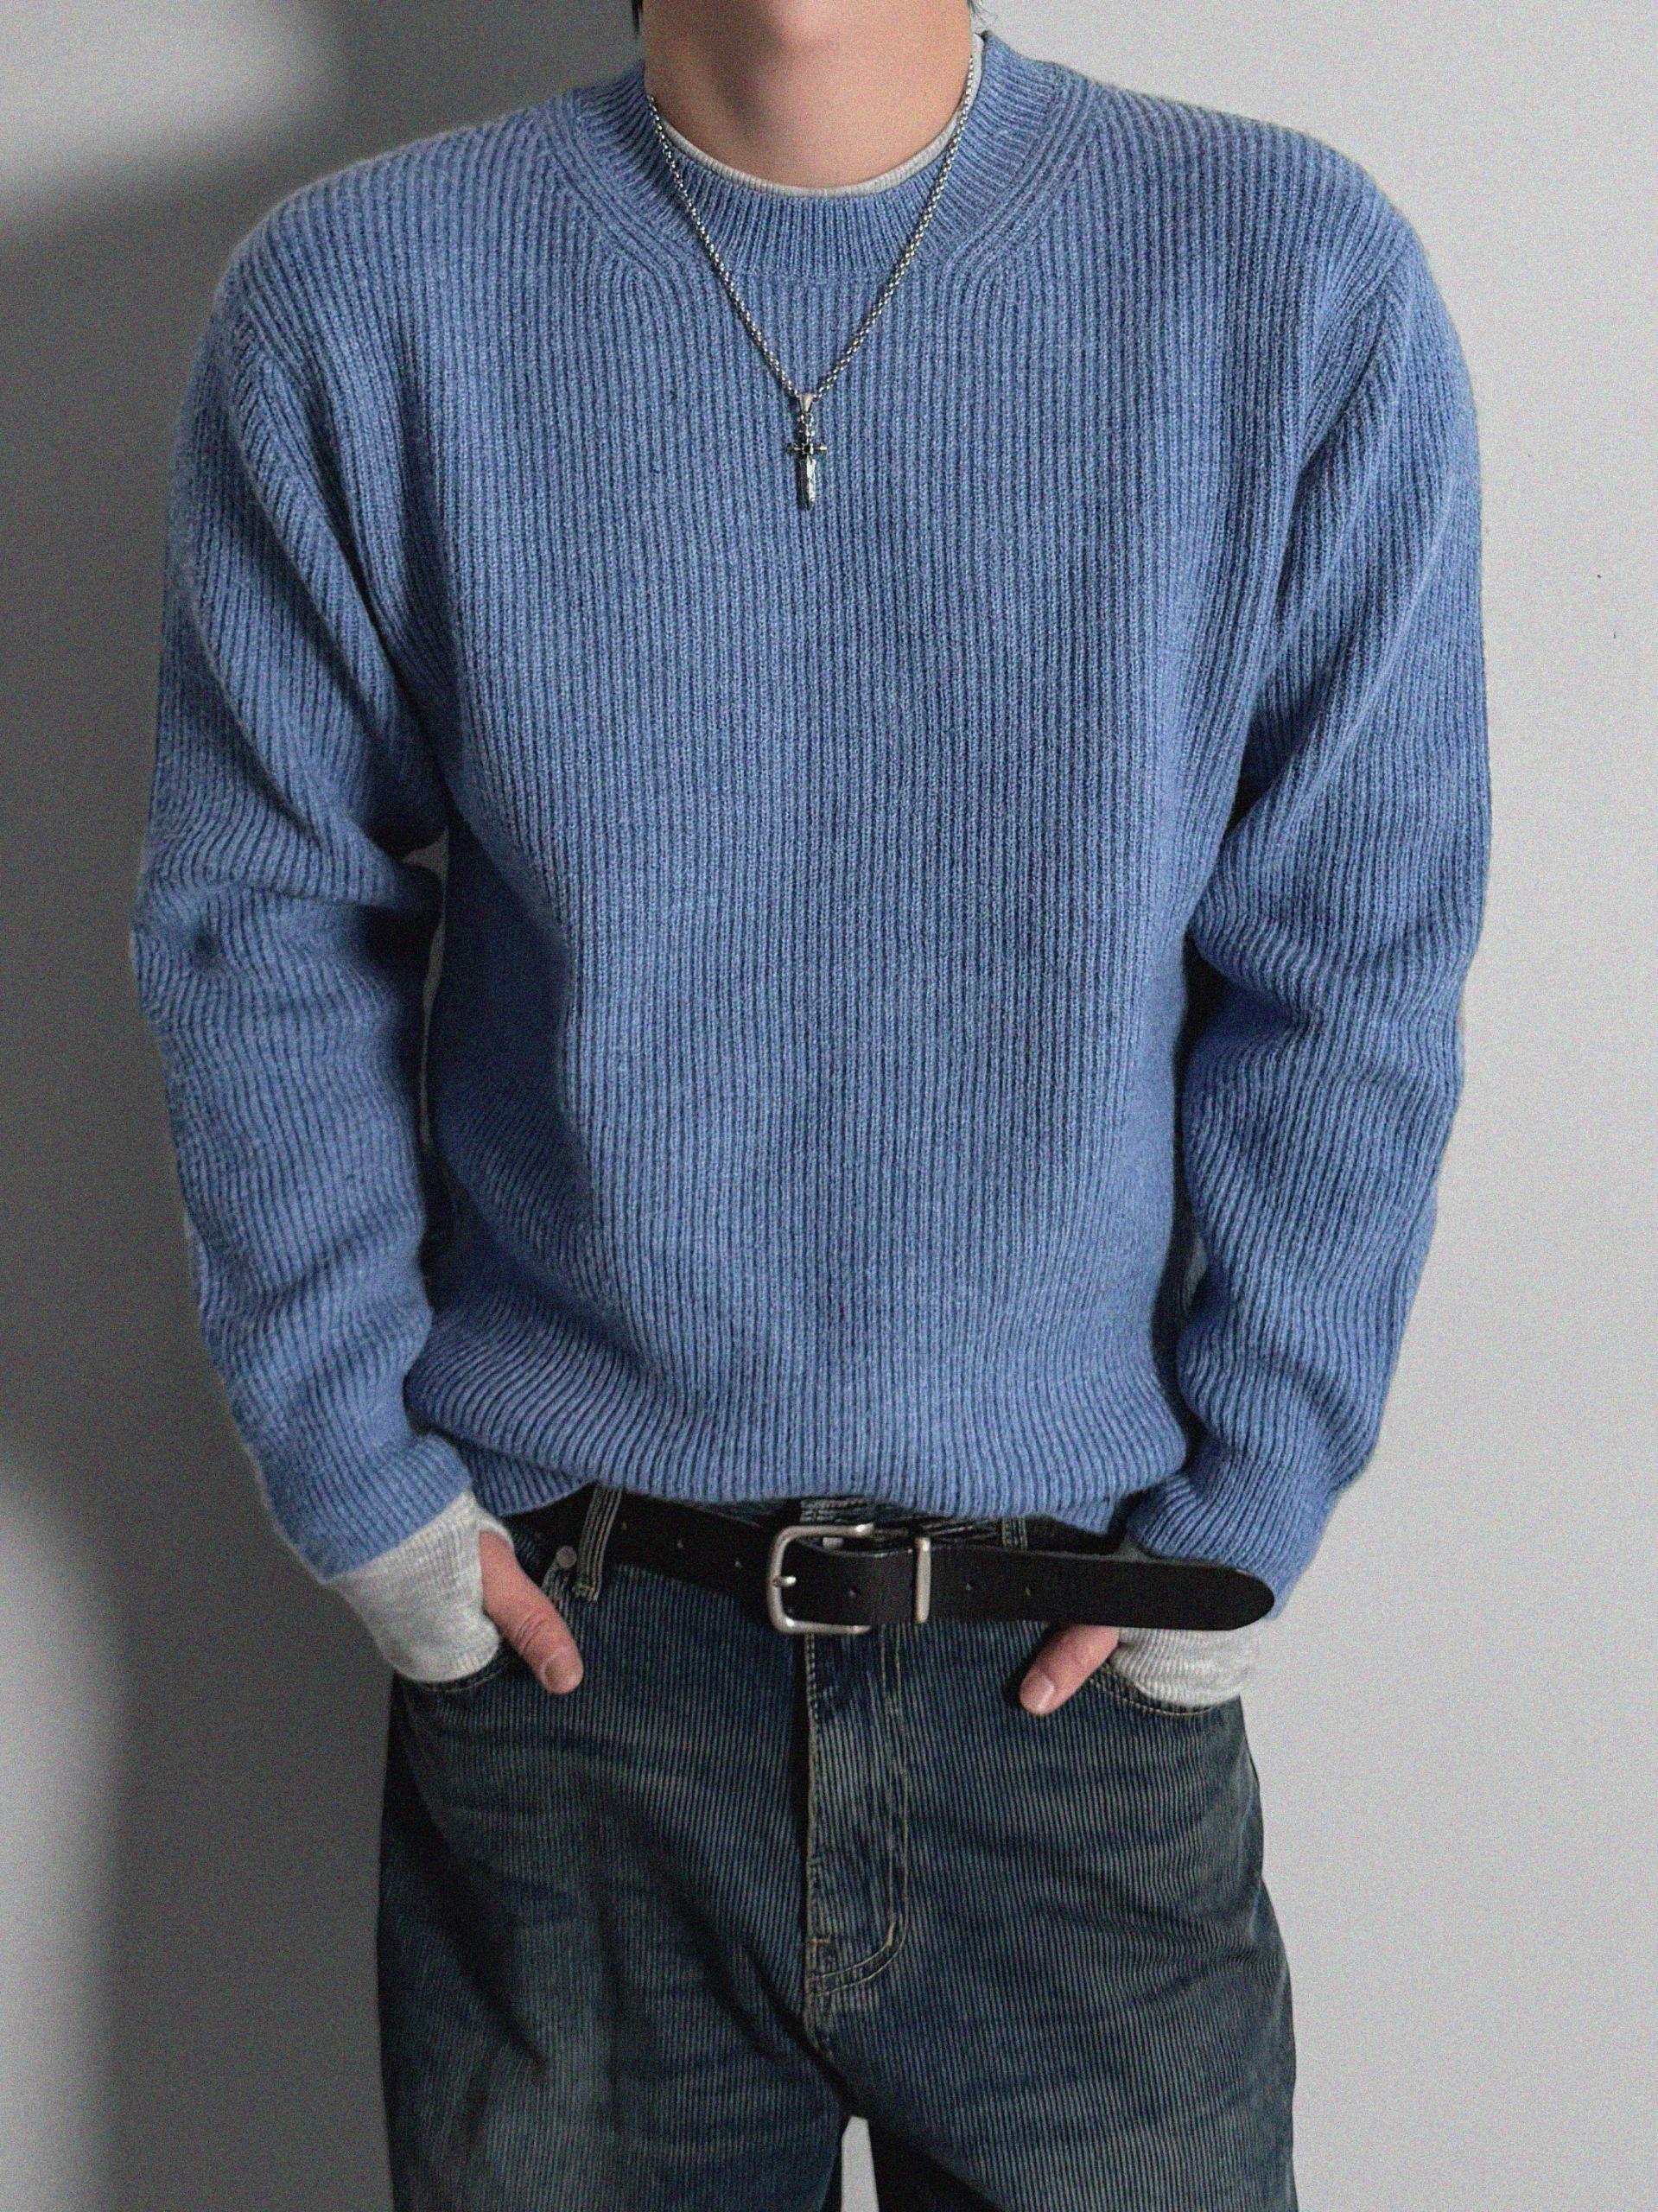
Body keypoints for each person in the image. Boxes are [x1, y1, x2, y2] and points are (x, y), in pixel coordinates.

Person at [127, 0, 1489, 2203]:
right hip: (576, 1682)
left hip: (1073, 1670)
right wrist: (363, 1489)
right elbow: (260, 925)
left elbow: (1353, 956)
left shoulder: (1290, 278)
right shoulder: (362, 300)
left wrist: (1250, 1494)